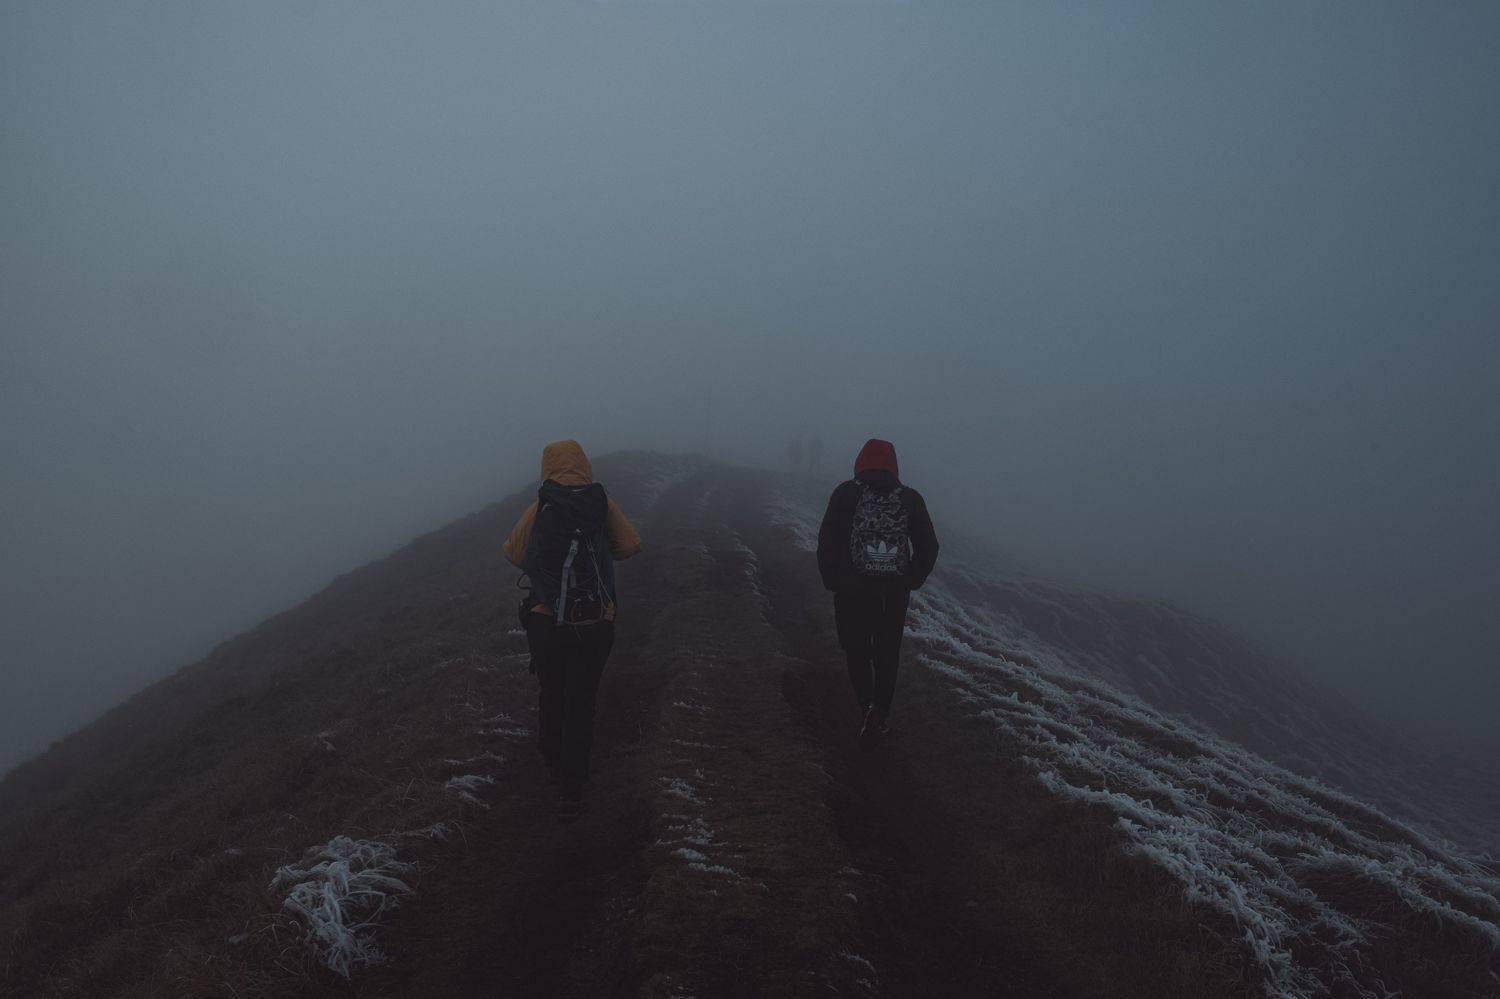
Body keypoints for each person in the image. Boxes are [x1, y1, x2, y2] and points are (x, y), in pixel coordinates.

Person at [503, 440, 642, 816]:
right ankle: (573, 784)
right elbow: (630, 545)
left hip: (546, 619)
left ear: (547, 466)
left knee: (552, 691)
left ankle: (551, 759)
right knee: (582, 700)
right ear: (584, 465)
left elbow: (512, 553)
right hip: (596, 619)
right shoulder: (601, 502)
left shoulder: (543, 505)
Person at [816, 439, 939, 748]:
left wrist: (833, 579)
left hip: (851, 588)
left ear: (860, 461)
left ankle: (865, 704)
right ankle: (880, 712)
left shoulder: (846, 493)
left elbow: (827, 539)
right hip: (893, 592)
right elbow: (929, 546)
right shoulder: (910, 498)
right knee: (887, 652)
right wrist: (911, 579)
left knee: (856, 649)